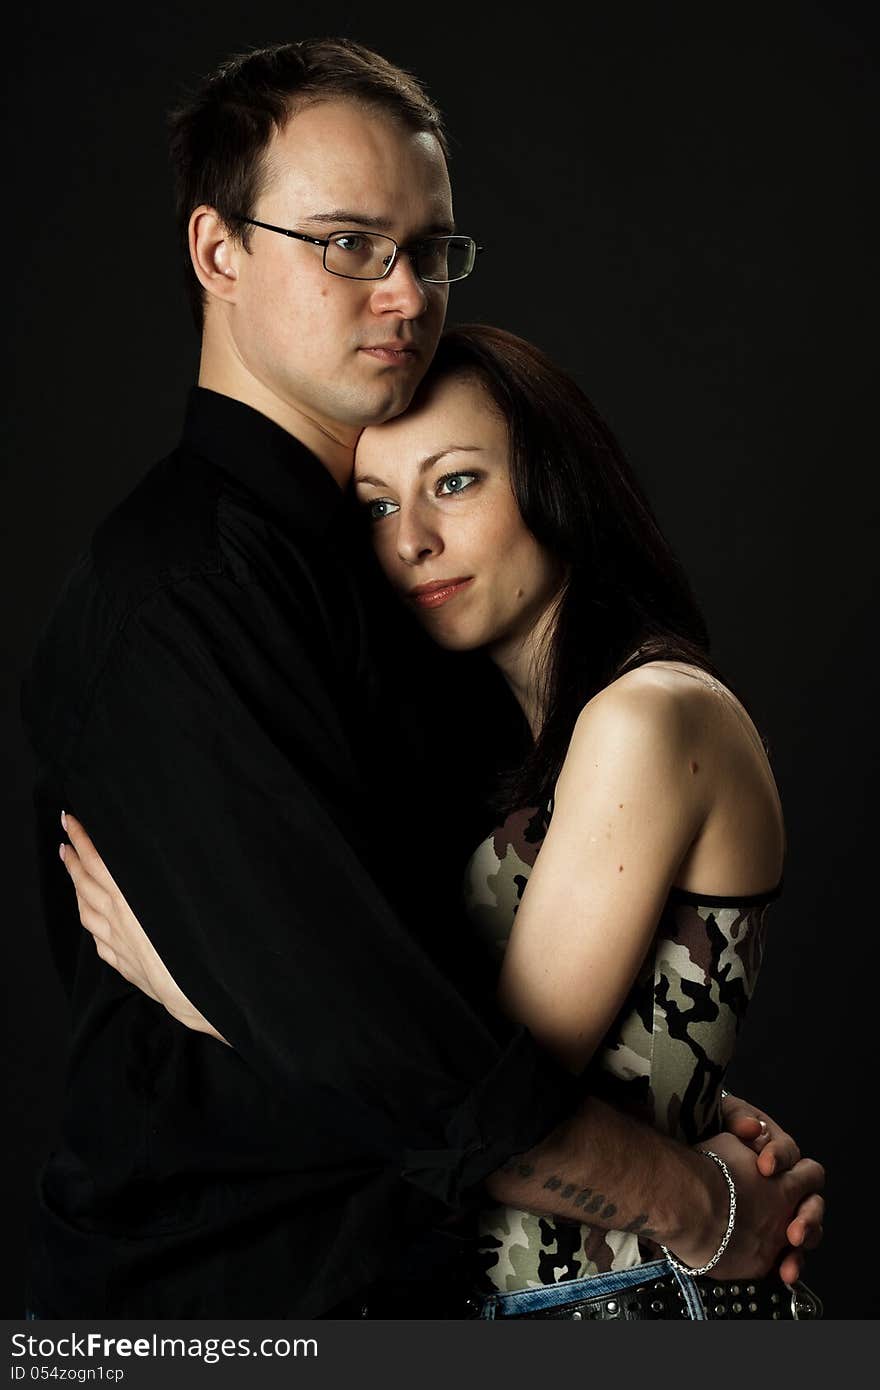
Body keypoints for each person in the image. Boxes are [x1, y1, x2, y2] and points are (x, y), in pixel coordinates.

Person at [25, 39, 823, 1319]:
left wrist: (686, 1104)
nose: (403, 294)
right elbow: (393, 1059)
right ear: (219, 252)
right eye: (347, 244)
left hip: (436, 1293)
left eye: (427, 249)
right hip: (224, 1308)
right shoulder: (181, 595)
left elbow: (445, 1017)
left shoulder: (391, 594)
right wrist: (700, 1202)